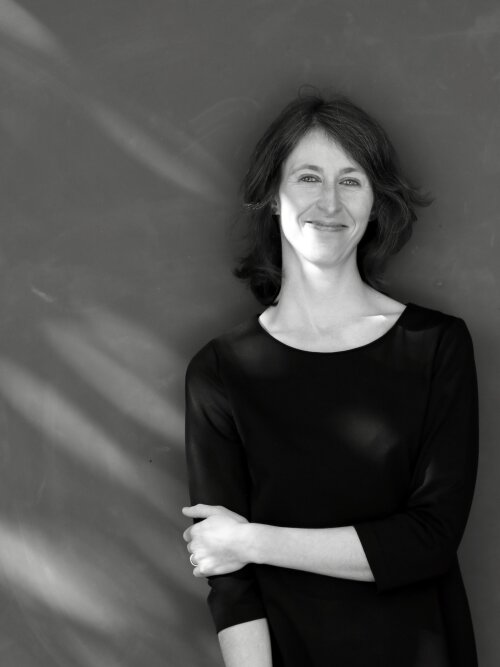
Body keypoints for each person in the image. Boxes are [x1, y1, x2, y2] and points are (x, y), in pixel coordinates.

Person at [181, 91, 479, 667]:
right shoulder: (219, 372)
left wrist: (251, 540)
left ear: (375, 202)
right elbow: (232, 587)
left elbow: (430, 541)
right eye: (309, 178)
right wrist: (235, 551)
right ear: (272, 196)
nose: (330, 202)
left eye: (351, 181)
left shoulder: (436, 346)